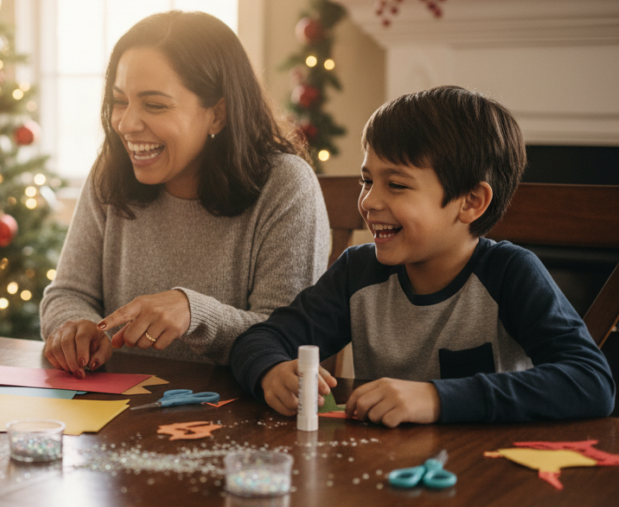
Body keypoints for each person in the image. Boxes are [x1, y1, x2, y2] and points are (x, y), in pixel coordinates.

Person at [230, 85, 614, 426]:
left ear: (471, 202)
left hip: (489, 480)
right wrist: (271, 371)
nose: (369, 201)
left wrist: (436, 398)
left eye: (396, 184)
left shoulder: (510, 273)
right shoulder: (358, 272)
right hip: (384, 477)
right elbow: (261, 339)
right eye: (367, 180)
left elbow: (590, 381)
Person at [40, 11, 330, 376]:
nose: (126, 124)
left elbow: (288, 338)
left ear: (218, 114)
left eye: (155, 105)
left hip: (240, 415)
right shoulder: (110, 170)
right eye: (119, 101)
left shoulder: (286, 185)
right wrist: (75, 328)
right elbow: (67, 293)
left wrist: (195, 313)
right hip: (117, 413)